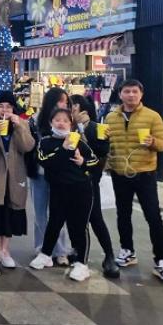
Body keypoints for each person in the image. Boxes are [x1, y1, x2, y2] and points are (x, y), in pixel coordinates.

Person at [105, 79, 163, 281]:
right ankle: (127, 251)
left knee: (153, 216)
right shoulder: (110, 117)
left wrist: (153, 142)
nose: (131, 95)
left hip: (145, 174)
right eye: (127, 91)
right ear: (120, 94)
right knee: (123, 214)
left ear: (141, 94)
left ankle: (161, 260)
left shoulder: (152, 116)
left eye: (135, 91)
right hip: (120, 173)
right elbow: (107, 143)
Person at [29, 108, 99, 282]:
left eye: (65, 121)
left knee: (79, 227)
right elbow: (44, 161)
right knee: (54, 223)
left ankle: (82, 263)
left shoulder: (79, 142)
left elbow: (94, 161)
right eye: (57, 120)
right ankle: (45, 254)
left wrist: (82, 162)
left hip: (81, 189)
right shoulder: (45, 142)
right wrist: (64, 148)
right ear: (51, 122)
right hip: (58, 189)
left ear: (71, 124)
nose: (61, 123)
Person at [0, 90, 35, 276]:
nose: (4, 110)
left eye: (8, 106)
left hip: (15, 177)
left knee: (10, 215)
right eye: (0, 106)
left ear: (13, 108)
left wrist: (19, 126)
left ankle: (5, 251)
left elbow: (27, 146)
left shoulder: (22, 123)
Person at [71, 94, 119, 278]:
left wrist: (84, 134)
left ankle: (109, 256)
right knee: (74, 219)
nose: (69, 110)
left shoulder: (96, 128)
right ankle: (78, 251)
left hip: (90, 181)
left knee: (95, 218)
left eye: (72, 107)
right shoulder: (67, 127)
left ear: (81, 109)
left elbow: (101, 153)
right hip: (71, 181)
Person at [29, 87, 72, 266]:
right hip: (39, 173)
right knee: (40, 213)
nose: (63, 105)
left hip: (60, 175)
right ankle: (42, 247)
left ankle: (60, 251)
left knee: (58, 213)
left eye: (66, 102)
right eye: (60, 101)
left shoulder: (68, 121)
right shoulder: (36, 121)